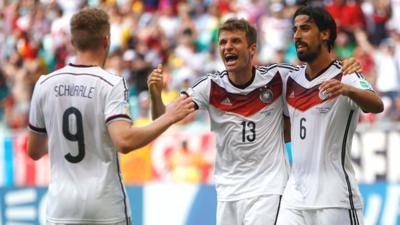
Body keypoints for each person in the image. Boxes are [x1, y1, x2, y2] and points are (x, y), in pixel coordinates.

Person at [148, 18, 361, 225]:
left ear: (252, 49)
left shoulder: (278, 77)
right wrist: (156, 96)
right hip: (227, 191)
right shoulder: (210, 87)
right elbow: (162, 119)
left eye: (235, 41)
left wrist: (345, 65)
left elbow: (316, 73)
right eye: (223, 42)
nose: (228, 47)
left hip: (268, 190)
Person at [27, 8, 194, 225]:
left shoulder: (44, 84)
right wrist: (169, 116)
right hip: (104, 207)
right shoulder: (111, 84)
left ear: (73, 42)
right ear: (106, 40)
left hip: (61, 207)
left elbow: (34, 151)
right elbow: (124, 141)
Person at [277, 6, 383, 225]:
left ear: (325, 34)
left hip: (335, 199)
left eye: (305, 28)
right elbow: (289, 131)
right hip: (294, 198)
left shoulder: (347, 75)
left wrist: (348, 90)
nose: (297, 35)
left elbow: (377, 105)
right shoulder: (290, 80)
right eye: (295, 29)